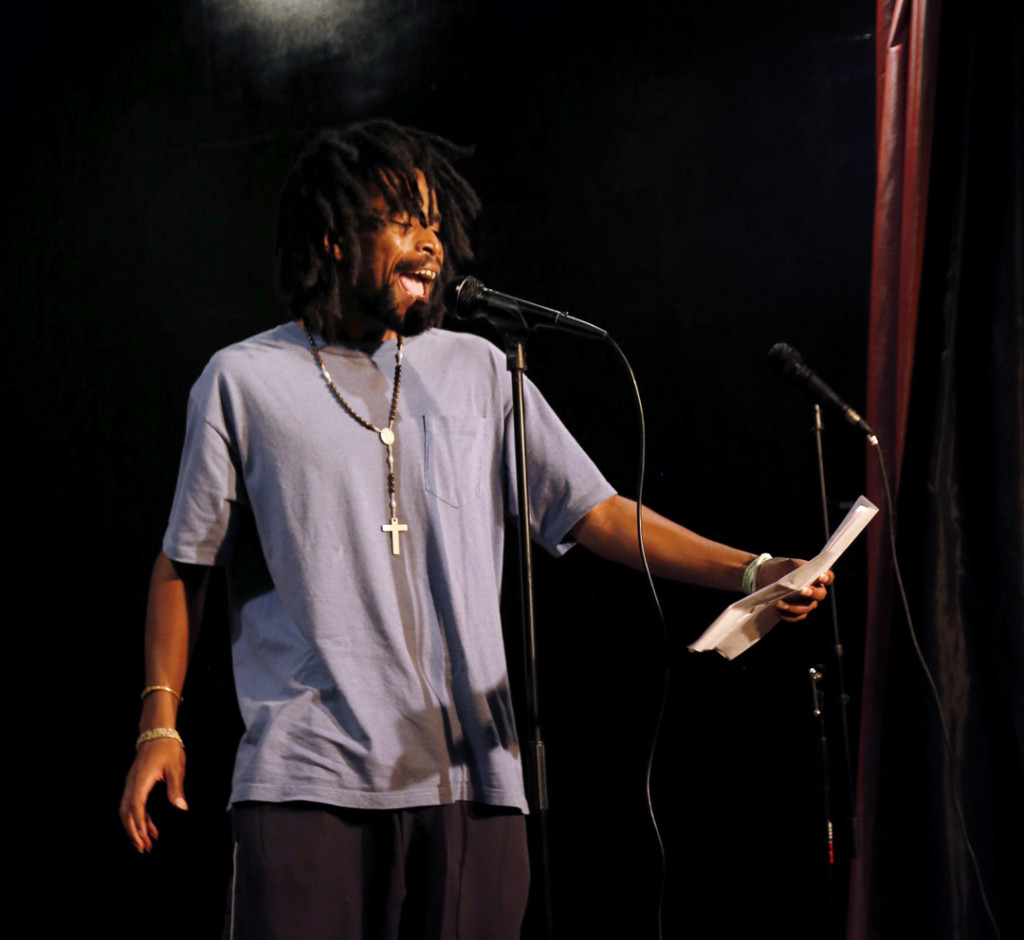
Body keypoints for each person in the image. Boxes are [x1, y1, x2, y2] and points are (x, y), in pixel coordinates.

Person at [119, 120, 831, 940]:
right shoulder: (242, 380)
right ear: (333, 239)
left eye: (433, 223)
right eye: (399, 220)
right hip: (308, 780)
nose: (428, 243)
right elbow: (185, 563)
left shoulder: (481, 367)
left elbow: (594, 511)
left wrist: (751, 572)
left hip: (475, 783)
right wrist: (159, 725)